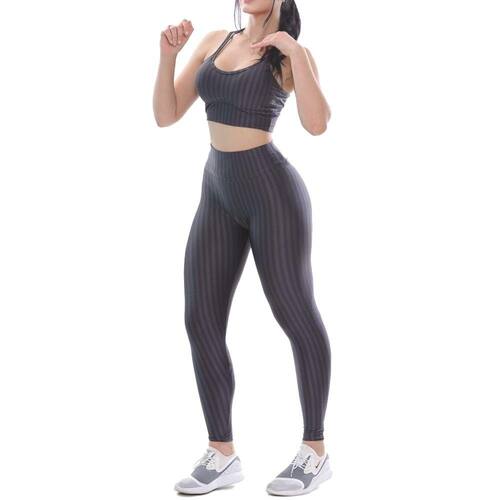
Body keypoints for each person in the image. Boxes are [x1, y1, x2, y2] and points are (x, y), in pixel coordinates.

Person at [153, 0, 332, 495]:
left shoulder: (289, 54)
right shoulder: (216, 41)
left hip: (272, 194)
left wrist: (296, 53)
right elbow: (167, 114)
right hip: (217, 190)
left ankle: (315, 451)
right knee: (200, 319)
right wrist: (168, 57)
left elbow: (317, 124)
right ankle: (221, 453)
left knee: (296, 314)